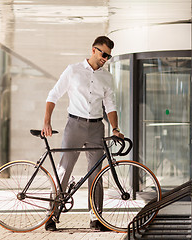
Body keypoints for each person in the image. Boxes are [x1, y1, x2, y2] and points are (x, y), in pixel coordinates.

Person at [41, 36, 124, 231]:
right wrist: (47, 122)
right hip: (74, 125)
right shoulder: (73, 70)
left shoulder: (107, 77)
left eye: (109, 56)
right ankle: (51, 215)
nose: (105, 59)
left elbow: (110, 105)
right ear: (94, 50)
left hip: (97, 128)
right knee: (64, 169)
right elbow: (53, 95)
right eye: (104, 54)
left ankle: (96, 218)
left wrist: (115, 129)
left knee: (97, 173)